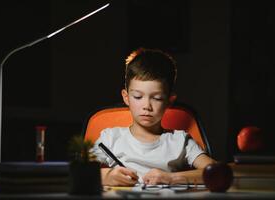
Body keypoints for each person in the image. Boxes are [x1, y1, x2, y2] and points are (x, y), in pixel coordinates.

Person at [91, 48, 216, 186]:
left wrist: (171, 178)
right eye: (138, 97)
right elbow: (77, 171)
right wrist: (106, 176)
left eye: (157, 98)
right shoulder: (110, 138)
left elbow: (216, 171)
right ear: (126, 98)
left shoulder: (180, 140)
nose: (147, 106)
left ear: (169, 101)